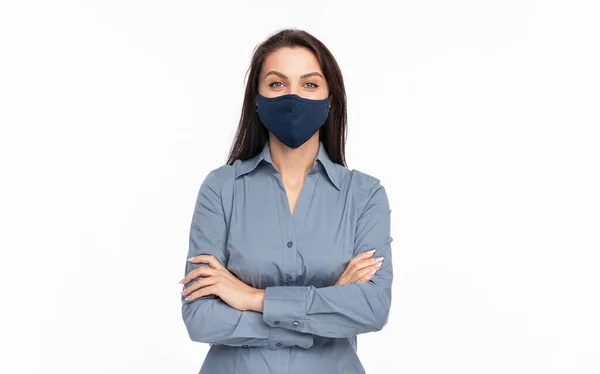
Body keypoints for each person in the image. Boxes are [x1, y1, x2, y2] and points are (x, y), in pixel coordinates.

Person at [179, 28, 393, 374]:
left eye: (309, 84)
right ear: (257, 100)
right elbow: (201, 318)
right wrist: (325, 309)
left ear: (330, 100)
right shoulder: (221, 189)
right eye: (277, 84)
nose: (292, 96)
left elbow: (371, 308)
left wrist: (253, 299)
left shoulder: (364, 196)